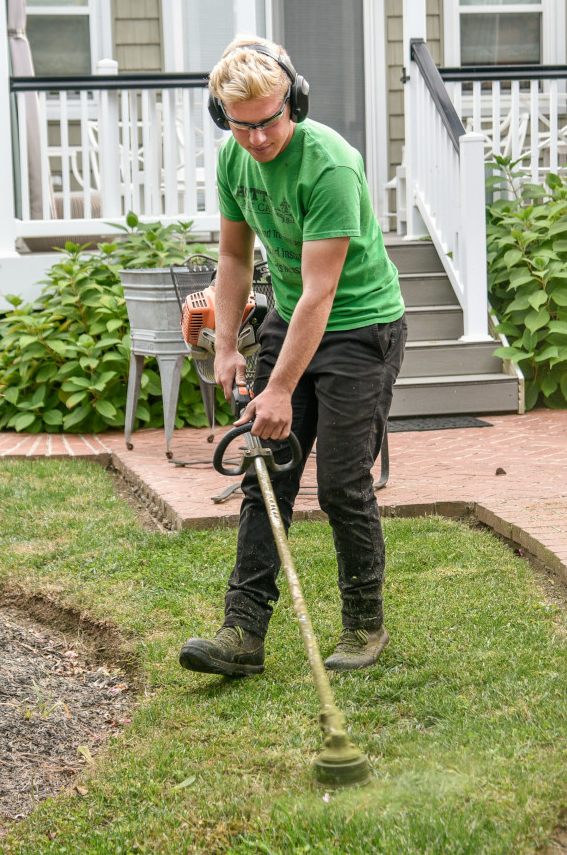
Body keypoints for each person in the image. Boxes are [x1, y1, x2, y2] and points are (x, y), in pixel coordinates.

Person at [179, 36, 406, 677]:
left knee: (340, 482)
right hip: (289, 317)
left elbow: (321, 291)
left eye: (268, 120)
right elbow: (232, 257)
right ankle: (242, 633)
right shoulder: (235, 158)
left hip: (360, 328)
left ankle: (364, 626)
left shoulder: (328, 165)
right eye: (239, 124)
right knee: (263, 474)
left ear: (294, 102)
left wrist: (278, 391)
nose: (255, 138)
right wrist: (225, 345)